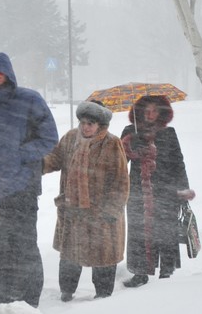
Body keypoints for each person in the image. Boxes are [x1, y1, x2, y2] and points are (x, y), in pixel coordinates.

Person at [0, 52, 58, 308]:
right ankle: (2, 296)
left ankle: (28, 300)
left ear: (8, 76)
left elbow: (49, 137)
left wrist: (19, 154)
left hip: (22, 186)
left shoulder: (28, 100)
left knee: (23, 243)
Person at [43, 100, 129, 301]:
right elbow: (54, 158)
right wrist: (36, 164)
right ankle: (66, 291)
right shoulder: (71, 138)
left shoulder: (111, 143)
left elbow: (120, 181)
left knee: (103, 255)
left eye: (91, 123)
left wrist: (111, 210)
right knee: (71, 254)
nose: (85, 126)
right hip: (73, 209)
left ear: (100, 125)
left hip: (101, 213)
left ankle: (103, 295)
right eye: (83, 122)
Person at [120, 95, 196, 288]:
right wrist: (129, 145)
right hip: (138, 190)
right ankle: (140, 272)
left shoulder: (168, 133)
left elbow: (178, 162)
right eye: (146, 110)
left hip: (165, 190)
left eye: (154, 110)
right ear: (139, 112)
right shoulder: (130, 132)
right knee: (138, 231)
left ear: (161, 112)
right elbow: (120, 163)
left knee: (165, 231)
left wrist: (182, 189)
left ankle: (166, 271)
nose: (150, 114)